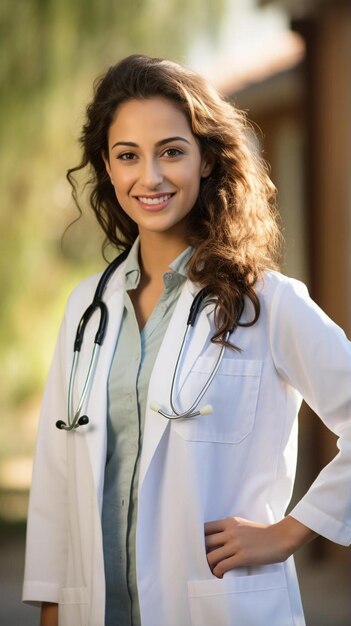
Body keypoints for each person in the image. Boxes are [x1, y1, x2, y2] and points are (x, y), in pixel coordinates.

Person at [23, 54, 351, 626]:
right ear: (108, 165)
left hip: (219, 607)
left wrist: (292, 531)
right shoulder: (87, 308)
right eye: (128, 155)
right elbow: (58, 475)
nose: (149, 177)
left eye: (171, 151)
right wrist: (53, 605)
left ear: (206, 160)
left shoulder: (266, 303)